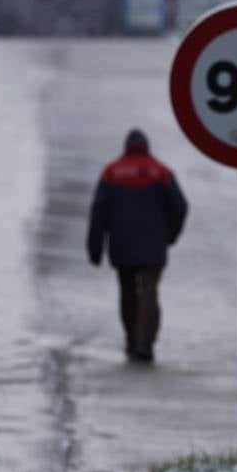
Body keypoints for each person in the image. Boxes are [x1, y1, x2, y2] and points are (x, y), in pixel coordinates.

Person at [86, 129, 188, 363]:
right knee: (149, 289)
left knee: (127, 292)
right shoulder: (161, 172)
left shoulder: (112, 172)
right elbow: (180, 207)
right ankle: (146, 343)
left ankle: (132, 340)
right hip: (153, 245)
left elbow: (98, 212)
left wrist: (95, 247)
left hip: (122, 245)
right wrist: (169, 235)